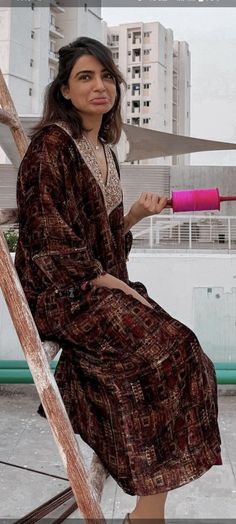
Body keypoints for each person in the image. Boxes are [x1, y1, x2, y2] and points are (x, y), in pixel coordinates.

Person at [15, 37, 222, 522]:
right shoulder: (52, 146)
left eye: (106, 76)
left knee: (186, 353)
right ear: (64, 90)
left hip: (99, 284)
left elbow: (104, 237)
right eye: (85, 77)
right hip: (63, 292)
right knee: (163, 351)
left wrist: (131, 217)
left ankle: (147, 512)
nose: (100, 86)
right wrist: (104, 282)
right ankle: (147, 515)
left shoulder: (105, 152)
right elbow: (46, 235)